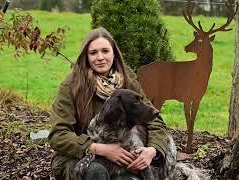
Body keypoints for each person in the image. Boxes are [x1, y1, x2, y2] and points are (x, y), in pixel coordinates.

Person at [48, 27, 169, 180]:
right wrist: (99, 149)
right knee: (96, 172)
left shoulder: (128, 80)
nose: (100, 57)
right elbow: (58, 135)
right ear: (86, 56)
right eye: (93, 53)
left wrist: (152, 150)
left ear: (114, 54)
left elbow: (155, 120)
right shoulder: (71, 86)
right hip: (80, 157)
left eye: (105, 51)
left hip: (121, 160)